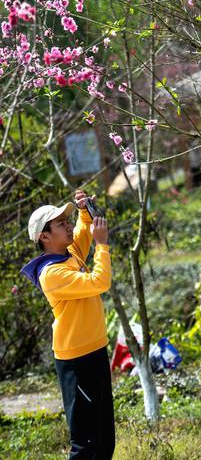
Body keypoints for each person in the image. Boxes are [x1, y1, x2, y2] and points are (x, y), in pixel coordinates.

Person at [20, 190, 115, 460]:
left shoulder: (68, 255)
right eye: (61, 224)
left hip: (95, 349)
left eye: (67, 220)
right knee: (85, 444)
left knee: (104, 438)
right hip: (76, 360)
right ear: (45, 237)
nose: (69, 225)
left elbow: (82, 232)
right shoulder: (52, 273)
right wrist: (103, 246)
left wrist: (84, 211)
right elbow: (100, 282)